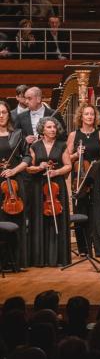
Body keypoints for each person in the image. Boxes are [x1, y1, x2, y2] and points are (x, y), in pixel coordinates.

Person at [25, 117, 71, 267]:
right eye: (49, 127)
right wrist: (39, 167)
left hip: (57, 186)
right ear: (42, 130)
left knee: (57, 219)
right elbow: (28, 168)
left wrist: (56, 172)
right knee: (39, 219)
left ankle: (58, 258)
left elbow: (68, 165)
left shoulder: (62, 145)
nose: (53, 129)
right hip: (39, 186)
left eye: (54, 127)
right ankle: (40, 259)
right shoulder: (35, 146)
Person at [67, 103, 100, 259]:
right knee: (81, 210)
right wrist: (76, 155)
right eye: (86, 114)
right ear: (81, 117)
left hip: (97, 176)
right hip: (80, 178)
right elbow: (67, 158)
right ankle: (83, 248)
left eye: (92, 114)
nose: (90, 116)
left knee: (97, 212)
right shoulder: (73, 135)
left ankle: (99, 248)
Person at [0, 101, 28, 271]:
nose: (1, 115)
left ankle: (15, 262)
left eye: (4, 112)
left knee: (15, 221)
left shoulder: (17, 134)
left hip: (14, 185)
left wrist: (13, 170)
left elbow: (27, 157)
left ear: (8, 115)